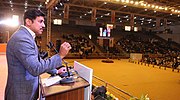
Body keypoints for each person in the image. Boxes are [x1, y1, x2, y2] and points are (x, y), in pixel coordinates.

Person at [5, 9, 71, 100]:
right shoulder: (22, 39)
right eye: (40, 21)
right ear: (28, 21)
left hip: (26, 91)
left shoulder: (26, 37)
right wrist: (60, 56)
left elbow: (37, 61)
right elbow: (36, 68)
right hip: (21, 94)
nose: (43, 25)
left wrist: (56, 71)